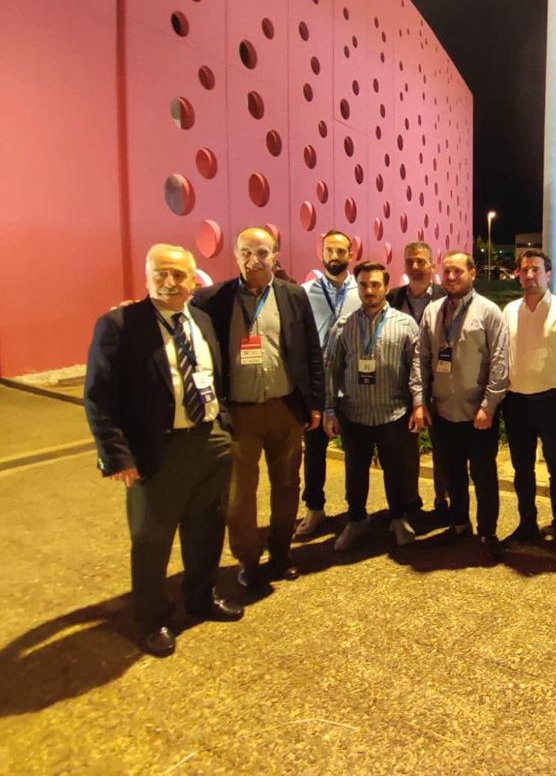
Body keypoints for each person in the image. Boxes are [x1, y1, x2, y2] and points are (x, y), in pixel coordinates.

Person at [84, 244, 243, 657]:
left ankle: (201, 598)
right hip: (157, 449)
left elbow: (214, 377)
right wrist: (116, 455)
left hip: (209, 441)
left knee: (207, 529)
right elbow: (99, 396)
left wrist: (223, 424)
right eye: (161, 274)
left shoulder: (201, 320)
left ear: (193, 279)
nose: (170, 282)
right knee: (152, 539)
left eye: (178, 275)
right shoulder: (120, 325)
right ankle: (152, 618)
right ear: (148, 276)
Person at [192, 227, 324, 591]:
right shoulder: (211, 300)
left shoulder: (293, 295)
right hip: (239, 415)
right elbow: (171, 313)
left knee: (287, 485)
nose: (254, 260)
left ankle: (281, 553)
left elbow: (312, 351)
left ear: (275, 256)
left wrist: (315, 404)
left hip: (285, 409)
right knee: (239, 494)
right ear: (236, 256)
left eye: (262, 253)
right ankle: (248, 559)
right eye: (246, 252)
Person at [411, 251, 510, 559]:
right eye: (447, 272)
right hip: (443, 411)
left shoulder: (489, 312)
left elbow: (500, 362)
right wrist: (419, 401)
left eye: (458, 271)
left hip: (478, 414)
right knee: (453, 473)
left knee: (483, 475)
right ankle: (459, 524)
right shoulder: (432, 311)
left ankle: (488, 531)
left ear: (473, 273)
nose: (452, 277)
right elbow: (421, 358)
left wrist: (489, 406)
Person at [324, 261, 423, 550]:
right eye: (364, 285)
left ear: (386, 287)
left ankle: (398, 518)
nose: (369, 290)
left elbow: (416, 368)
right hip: (355, 414)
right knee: (355, 471)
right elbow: (331, 368)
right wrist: (329, 409)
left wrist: (418, 403)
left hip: (393, 413)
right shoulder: (343, 325)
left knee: (396, 471)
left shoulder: (405, 324)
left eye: (375, 284)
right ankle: (356, 520)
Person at [502, 249, 556, 552]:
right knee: (522, 468)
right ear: (518, 274)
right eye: (524, 270)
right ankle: (527, 522)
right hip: (516, 400)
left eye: (536, 269)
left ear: (548, 275)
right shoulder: (509, 311)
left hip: (553, 400)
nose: (530, 275)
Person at [296, 230, 362, 538]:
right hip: (316, 382)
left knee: (355, 452)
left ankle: (355, 512)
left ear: (351, 254)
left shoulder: (362, 291)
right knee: (314, 450)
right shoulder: (304, 292)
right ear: (321, 253)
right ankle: (314, 508)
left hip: (352, 383)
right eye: (329, 250)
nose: (334, 256)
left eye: (341, 251)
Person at [386, 240, 449, 518]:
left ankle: (442, 498)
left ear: (432, 266)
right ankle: (410, 500)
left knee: (442, 446)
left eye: (420, 261)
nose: (414, 266)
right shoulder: (393, 298)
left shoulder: (446, 297)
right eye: (410, 261)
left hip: (439, 382)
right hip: (402, 384)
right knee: (405, 448)